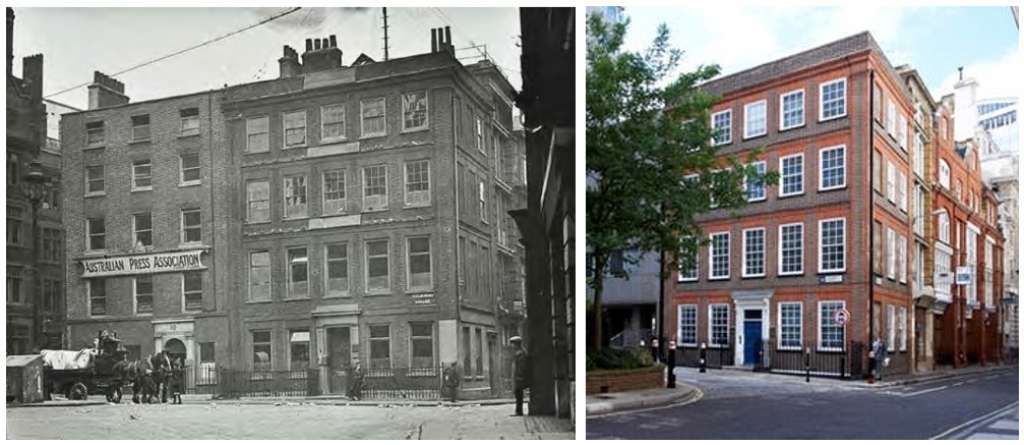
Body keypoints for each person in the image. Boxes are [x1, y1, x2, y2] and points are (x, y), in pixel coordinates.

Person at [510, 336, 529, 416]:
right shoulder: (519, 353)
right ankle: (518, 411)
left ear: (517, 344)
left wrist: (519, 376)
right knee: (518, 394)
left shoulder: (521, 354)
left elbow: (522, 367)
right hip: (517, 377)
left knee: (519, 395)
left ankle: (519, 411)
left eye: (513, 344)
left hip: (519, 377)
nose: (512, 346)